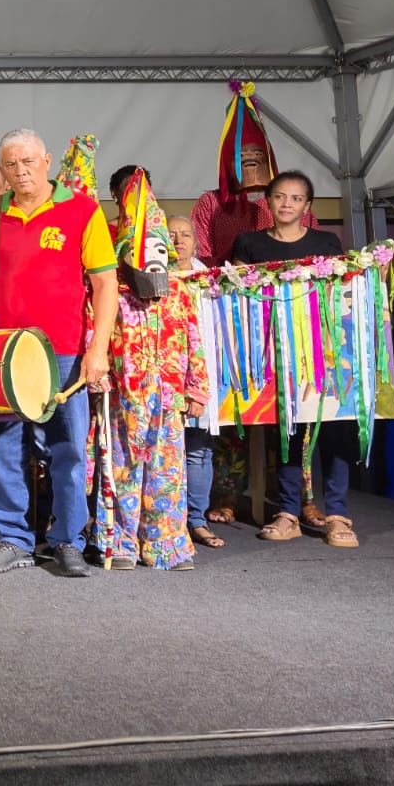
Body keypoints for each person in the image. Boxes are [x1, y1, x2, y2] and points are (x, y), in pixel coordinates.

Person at [0, 127, 119, 577]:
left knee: (67, 451)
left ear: (47, 161)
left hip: (65, 351)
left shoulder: (81, 209)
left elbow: (105, 283)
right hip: (6, 354)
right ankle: (14, 538)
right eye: (11, 165)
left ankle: (68, 541)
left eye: (28, 162)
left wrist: (97, 351)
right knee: (4, 450)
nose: (21, 172)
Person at [232, 171, 357, 547]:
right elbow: (238, 297)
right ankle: (288, 513)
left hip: (326, 353)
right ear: (267, 201)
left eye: (296, 198)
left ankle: (336, 514)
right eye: (280, 196)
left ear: (308, 206)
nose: (287, 204)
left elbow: (344, 295)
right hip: (276, 352)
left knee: (336, 427)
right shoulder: (249, 243)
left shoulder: (327, 242)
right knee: (288, 430)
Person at [101, 171, 207, 571]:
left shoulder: (177, 290)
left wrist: (197, 389)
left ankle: (165, 542)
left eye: (161, 250)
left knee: (167, 469)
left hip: (168, 397)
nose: (157, 259)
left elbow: (194, 340)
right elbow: (99, 336)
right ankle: (123, 541)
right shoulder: (114, 291)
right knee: (123, 468)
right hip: (124, 397)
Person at [190, 84, 317, 265]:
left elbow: (313, 247)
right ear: (228, 162)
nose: (250, 160)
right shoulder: (211, 204)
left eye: (257, 154)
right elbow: (201, 256)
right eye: (240, 156)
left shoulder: (287, 201)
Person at [170, 215, 224, 551]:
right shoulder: (148, 279)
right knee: (164, 453)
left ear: (196, 241)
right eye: (171, 235)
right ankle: (168, 522)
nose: (179, 241)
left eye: (185, 234)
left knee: (199, 451)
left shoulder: (212, 281)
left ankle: (197, 521)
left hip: (202, 375)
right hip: (164, 376)